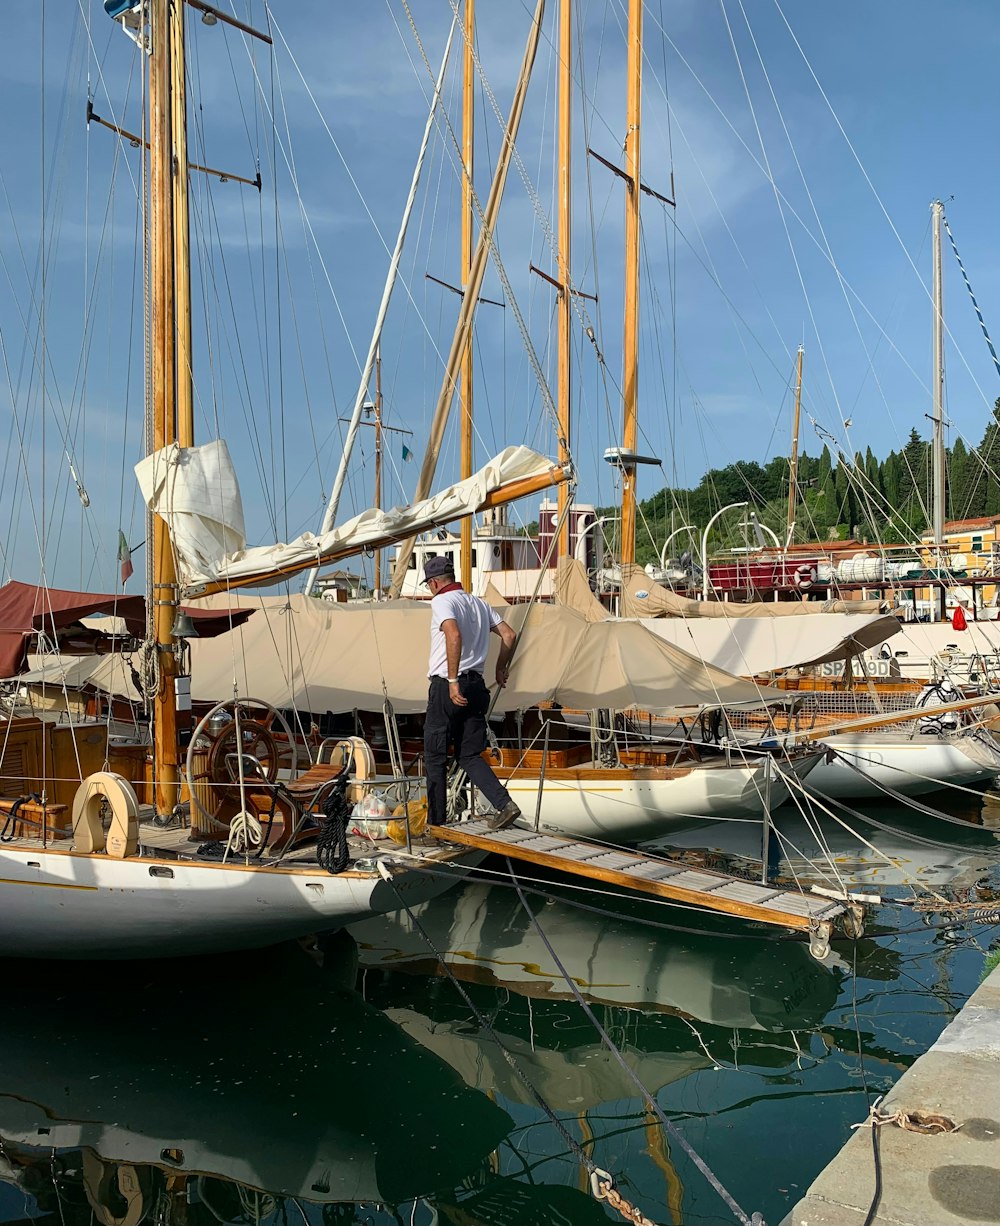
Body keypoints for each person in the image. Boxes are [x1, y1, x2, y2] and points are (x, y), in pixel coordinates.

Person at [422, 554, 521, 830]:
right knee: (468, 755)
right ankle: (505, 804)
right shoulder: (480, 604)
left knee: (435, 756)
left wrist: (452, 680)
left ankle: (437, 826)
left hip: (448, 687)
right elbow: (509, 635)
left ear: (433, 583)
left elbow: (453, 635)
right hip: (477, 685)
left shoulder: (442, 601)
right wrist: (500, 668)